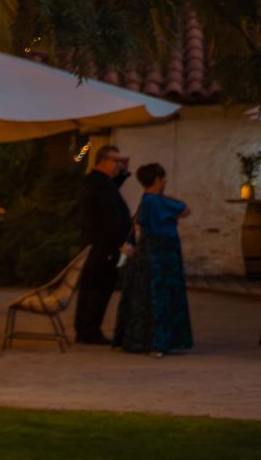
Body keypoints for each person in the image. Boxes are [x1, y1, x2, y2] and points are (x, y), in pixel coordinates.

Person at [116, 163, 194, 355]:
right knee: (161, 296)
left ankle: (138, 339)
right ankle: (158, 342)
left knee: (144, 296)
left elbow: (139, 226)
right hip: (164, 253)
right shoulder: (159, 201)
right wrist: (169, 199)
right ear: (158, 180)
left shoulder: (145, 201)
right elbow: (185, 210)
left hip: (146, 251)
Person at [73, 144, 134, 345]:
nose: (118, 164)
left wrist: (123, 173)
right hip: (101, 246)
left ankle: (87, 328)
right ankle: (88, 330)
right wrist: (119, 243)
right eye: (115, 161)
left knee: (96, 287)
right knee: (97, 288)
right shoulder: (96, 184)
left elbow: (111, 190)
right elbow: (108, 218)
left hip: (101, 245)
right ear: (103, 161)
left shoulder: (100, 182)